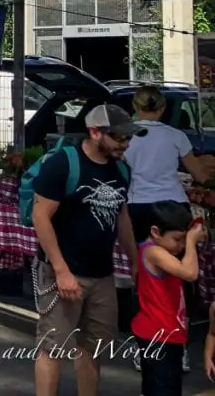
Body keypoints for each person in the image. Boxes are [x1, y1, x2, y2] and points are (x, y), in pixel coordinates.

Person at [32, 104, 143, 396]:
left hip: (101, 274)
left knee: (93, 349)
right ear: (95, 132)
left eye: (128, 138)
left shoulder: (121, 169)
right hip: (64, 273)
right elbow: (40, 216)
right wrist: (61, 271)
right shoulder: (63, 164)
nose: (126, 144)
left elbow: (122, 217)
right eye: (119, 138)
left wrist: (135, 261)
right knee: (53, 348)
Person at [125, 85, 212, 373]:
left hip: (138, 207)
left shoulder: (126, 135)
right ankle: (180, 348)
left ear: (135, 108)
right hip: (174, 209)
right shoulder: (176, 136)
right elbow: (198, 174)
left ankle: (145, 347)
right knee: (178, 279)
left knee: (144, 275)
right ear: (163, 109)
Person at [131, 201, 202, 396]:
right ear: (156, 232)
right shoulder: (154, 252)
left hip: (163, 332)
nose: (180, 245)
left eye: (183, 240)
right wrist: (190, 242)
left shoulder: (155, 248)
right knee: (164, 388)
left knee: (157, 387)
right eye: (177, 239)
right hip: (159, 335)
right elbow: (190, 273)